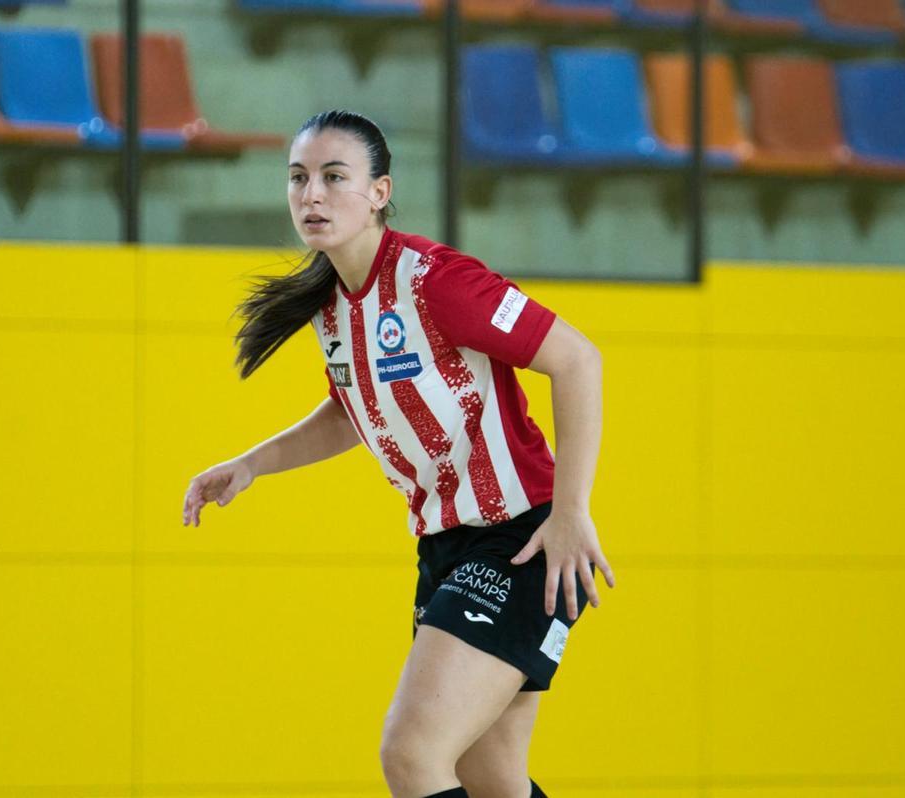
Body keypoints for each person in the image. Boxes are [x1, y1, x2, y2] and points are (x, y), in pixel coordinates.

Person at [182, 109, 615, 798]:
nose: (311, 195)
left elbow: (578, 360)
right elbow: (355, 414)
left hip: (522, 540)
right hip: (446, 548)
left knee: (411, 756)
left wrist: (570, 513)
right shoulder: (331, 306)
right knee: (489, 775)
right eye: (298, 179)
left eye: (333, 177)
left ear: (380, 191)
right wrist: (252, 463)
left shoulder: (436, 281)